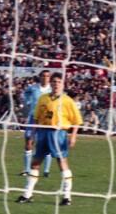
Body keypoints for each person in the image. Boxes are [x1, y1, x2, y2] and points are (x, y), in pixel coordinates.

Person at [16, 72, 82, 206]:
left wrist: (73, 137)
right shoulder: (43, 98)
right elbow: (36, 118)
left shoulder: (68, 101)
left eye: (59, 82)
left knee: (62, 164)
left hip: (58, 134)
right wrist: (32, 135)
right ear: (50, 84)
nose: (56, 84)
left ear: (62, 84)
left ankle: (66, 196)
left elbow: (77, 121)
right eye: (54, 82)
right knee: (35, 163)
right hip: (43, 133)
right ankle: (27, 194)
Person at [20, 69, 54, 177]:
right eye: (43, 76)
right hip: (33, 119)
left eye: (47, 76)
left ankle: (46, 171)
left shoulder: (52, 90)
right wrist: (26, 103)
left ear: (50, 78)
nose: (45, 78)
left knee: (47, 144)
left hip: (46, 121)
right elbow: (24, 95)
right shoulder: (33, 88)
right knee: (29, 143)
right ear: (40, 77)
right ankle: (27, 169)